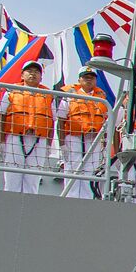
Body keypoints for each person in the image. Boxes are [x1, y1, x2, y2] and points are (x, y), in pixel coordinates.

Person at [0, 61, 55, 194]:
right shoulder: (11, 91)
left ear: (41, 76)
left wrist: (49, 144)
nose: (33, 74)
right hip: (15, 137)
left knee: (33, 179)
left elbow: (52, 121)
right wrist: (2, 141)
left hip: (39, 139)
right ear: (22, 75)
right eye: (29, 71)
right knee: (12, 177)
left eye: (37, 72)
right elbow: (2, 116)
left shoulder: (49, 95)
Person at [55, 66, 109, 200]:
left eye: (91, 78)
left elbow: (106, 122)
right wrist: (61, 144)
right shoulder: (70, 96)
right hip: (74, 138)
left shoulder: (102, 98)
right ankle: (71, 198)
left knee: (90, 171)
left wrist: (105, 143)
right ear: (79, 79)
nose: (88, 80)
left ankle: (87, 199)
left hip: (93, 139)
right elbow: (61, 121)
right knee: (72, 169)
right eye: (85, 77)